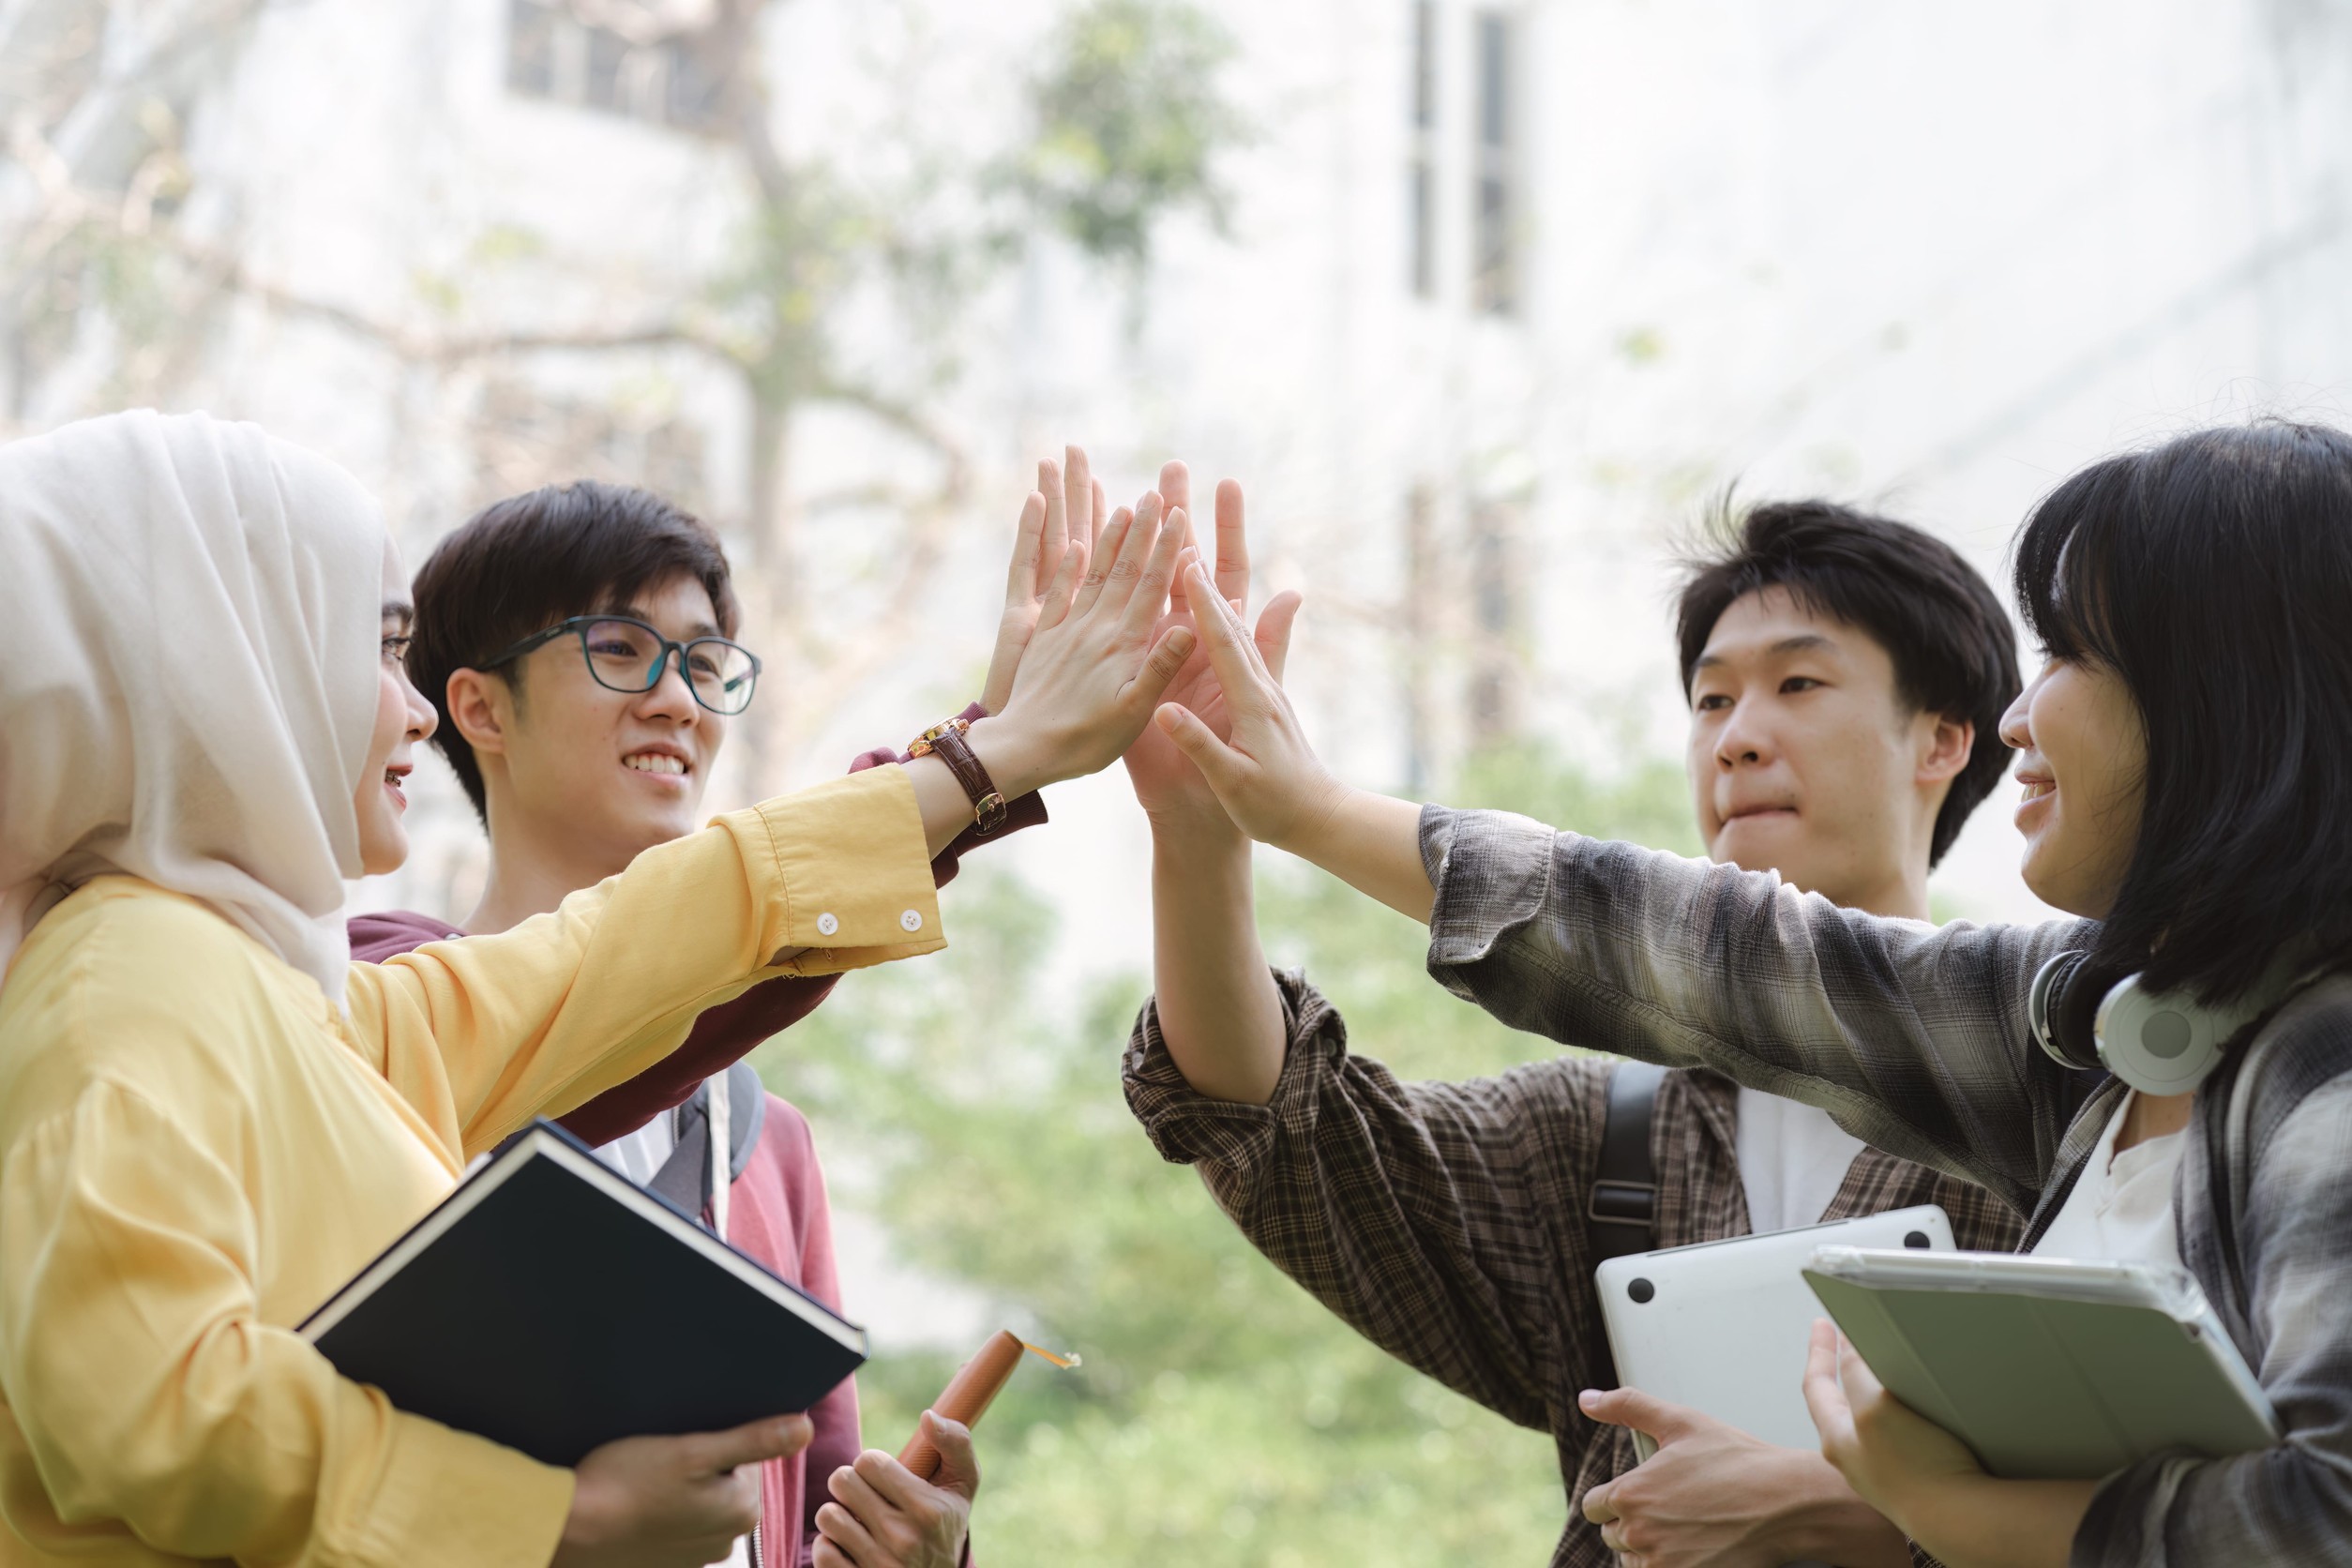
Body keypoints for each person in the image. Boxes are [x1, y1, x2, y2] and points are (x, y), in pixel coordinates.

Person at [0, 410, 1193, 1567]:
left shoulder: (284, 1001)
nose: (414, 704)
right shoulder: (128, 975)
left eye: (703, 660)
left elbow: (633, 944)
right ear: (228, 666)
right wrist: (551, 1520)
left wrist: (985, 757)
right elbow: (144, 1413)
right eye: (371, 647)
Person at [1150, 419, 2352, 1567]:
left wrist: (1920, 1514)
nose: (2022, 717)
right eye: (1710, 699)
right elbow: (1305, 1126)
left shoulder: (2307, 1063)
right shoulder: (2071, 1030)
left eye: (2073, 655)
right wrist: (1250, 823)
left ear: (2222, 692)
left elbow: (2324, 1516)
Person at [1121, 495, 2031, 1566]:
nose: (1736, 738)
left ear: (1944, 739)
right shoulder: (1607, 1143)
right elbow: (1280, 1127)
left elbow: (2184, 1497)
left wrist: (1875, 1519)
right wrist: (1198, 832)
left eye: (1798, 683)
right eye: (1710, 700)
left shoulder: (2058, 1086)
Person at [351, 461, 1103, 1568]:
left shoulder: (765, 1140)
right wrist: (976, 761)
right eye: (620, 650)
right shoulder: (371, 1011)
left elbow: (792, 1532)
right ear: (474, 706)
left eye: (706, 663)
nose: (678, 698)